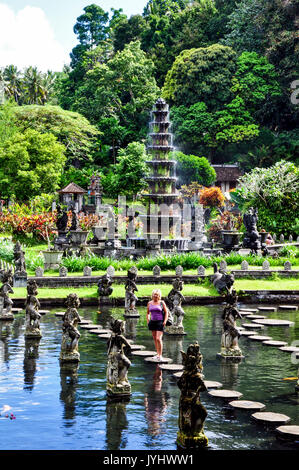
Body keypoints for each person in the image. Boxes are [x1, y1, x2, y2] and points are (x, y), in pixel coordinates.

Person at [147, 289, 169, 362]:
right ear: (152, 295)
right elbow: (147, 313)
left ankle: (160, 355)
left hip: (160, 322)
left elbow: (166, 312)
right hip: (152, 322)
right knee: (154, 338)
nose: (155, 296)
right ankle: (157, 354)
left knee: (158, 338)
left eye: (157, 294)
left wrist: (165, 321)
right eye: (154, 294)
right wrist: (148, 320)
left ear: (159, 295)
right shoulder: (149, 303)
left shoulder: (162, 303)